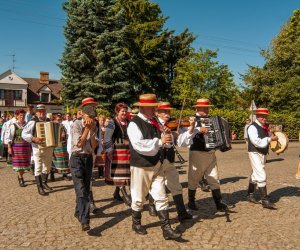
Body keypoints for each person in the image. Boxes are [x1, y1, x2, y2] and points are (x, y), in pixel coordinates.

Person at [127, 94, 181, 240]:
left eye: (154, 107)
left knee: (161, 196)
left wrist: (168, 138)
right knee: (138, 197)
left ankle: (166, 229)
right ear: (143, 107)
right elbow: (139, 145)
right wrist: (159, 141)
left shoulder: (155, 122)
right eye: (152, 107)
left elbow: (164, 143)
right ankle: (136, 223)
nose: (154, 110)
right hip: (141, 166)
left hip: (157, 164)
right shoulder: (134, 123)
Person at [177, 98, 229, 212]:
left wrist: (225, 139)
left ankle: (218, 202)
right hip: (197, 153)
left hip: (211, 153)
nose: (206, 109)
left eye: (207, 107)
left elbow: (217, 136)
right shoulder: (191, 120)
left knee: (214, 178)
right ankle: (191, 201)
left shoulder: (212, 119)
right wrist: (197, 128)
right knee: (194, 178)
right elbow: (185, 135)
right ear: (197, 108)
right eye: (203, 108)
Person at [147, 101, 193, 222]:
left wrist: (185, 131)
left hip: (169, 159)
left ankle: (182, 212)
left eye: (168, 111)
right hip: (157, 160)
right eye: (164, 111)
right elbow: (151, 141)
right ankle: (152, 205)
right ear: (157, 113)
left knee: (176, 185)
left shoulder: (170, 125)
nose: (168, 113)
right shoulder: (152, 124)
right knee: (158, 186)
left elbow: (182, 142)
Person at [70, 100, 100, 231]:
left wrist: (92, 131)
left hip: (88, 159)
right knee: (81, 190)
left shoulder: (94, 126)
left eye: (93, 118)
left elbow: (94, 146)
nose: (91, 120)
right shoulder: (76, 125)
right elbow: (79, 144)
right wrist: (87, 129)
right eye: (90, 117)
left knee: (86, 189)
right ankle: (85, 220)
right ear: (83, 115)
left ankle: (78, 211)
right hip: (76, 159)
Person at [246, 108, 278, 209]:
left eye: (265, 116)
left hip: (262, 153)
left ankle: (250, 194)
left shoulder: (264, 126)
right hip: (254, 152)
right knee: (261, 173)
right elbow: (256, 142)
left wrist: (275, 138)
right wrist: (269, 139)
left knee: (256, 173)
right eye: (262, 116)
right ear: (257, 116)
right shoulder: (252, 127)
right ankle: (265, 200)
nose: (264, 118)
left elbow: (269, 137)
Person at [22, 104, 54, 196]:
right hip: (37, 148)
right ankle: (39, 187)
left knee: (47, 167)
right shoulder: (33, 121)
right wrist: (33, 138)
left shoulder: (49, 121)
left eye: (43, 111)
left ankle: (44, 183)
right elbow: (24, 134)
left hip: (48, 147)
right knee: (38, 167)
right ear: (36, 112)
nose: (41, 113)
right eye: (39, 111)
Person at [103, 103, 131, 206]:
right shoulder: (112, 123)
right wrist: (109, 150)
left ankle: (116, 193)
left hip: (128, 152)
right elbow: (107, 137)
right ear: (117, 112)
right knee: (119, 174)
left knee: (126, 174)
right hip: (117, 152)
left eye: (125, 111)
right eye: (122, 111)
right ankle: (125, 196)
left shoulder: (129, 122)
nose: (124, 113)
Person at [7, 109, 31, 187]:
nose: (22, 117)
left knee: (25, 165)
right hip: (17, 148)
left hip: (26, 148)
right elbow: (9, 138)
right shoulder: (13, 126)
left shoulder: (27, 125)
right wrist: (9, 147)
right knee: (19, 164)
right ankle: (21, 178)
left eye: (23, 115)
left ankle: (20, 175)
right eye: (20, 115)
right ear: (16, 116)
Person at [52, 114, 70, 180]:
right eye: (58, 119)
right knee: (54, 161)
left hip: (63, 145)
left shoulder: (62, 126)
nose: (59, 121)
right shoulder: (51, 126)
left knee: (64, 161)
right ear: (54, 119)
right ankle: (52, 175)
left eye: (60, 119)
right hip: (54, 146)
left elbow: (67, 134)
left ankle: (65, 175)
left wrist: (64, 135)